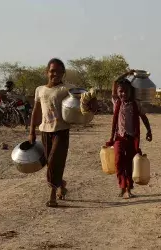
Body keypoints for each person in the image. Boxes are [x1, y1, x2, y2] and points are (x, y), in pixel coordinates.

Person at [29, 58, 96, 207]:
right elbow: (36, 111)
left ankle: (52, 195)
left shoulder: (67, 88)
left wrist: (91, 102)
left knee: (54, 161)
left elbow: (85, 97)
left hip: (61, 130)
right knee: (50, 162)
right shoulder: (40, 90)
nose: (55, 74)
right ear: (47, 72)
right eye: (52, 71)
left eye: (59, 71)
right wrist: (31, 131)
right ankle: (61, 183)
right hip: (45, 130)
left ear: (63, 73)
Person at [106, 70, 152, 198]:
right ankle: (122, 185)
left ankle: (128, 189)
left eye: (126, 91)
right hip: (119, 138)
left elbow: (143, 117)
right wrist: (128, 73)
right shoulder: (116, 102)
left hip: (132, 139)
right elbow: (115, 82)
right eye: (121, 91)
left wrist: (149, 130)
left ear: (131, 92)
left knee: (130, 163)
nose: (123, 93)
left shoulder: (136, 104)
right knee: (118, 161)